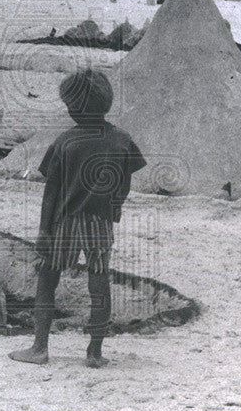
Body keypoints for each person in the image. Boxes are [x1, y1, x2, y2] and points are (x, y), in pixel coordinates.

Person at [8, 69, 146, 368]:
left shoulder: (65, 142)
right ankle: (94, 353)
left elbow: (51, 192)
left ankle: (40, 348)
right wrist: (116, 205)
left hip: (65, 222)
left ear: (73, 106)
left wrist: (44, 230)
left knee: (47, 281)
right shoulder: (122, 140)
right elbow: (124, 182)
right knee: (99, 284)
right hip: (100, 222)